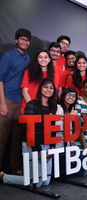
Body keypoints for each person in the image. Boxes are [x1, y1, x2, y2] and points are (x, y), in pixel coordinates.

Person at [0, 78, 57, 187]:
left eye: (51, 88)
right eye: (46, 87)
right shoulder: (32, 104)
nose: (48, 90)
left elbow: (52, 128)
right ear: (40, 89)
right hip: (31, 144)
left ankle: (25, 175)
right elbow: (29, 129)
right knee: (34, 183)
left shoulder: (52, 107)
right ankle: (4, 177)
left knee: (45, 182)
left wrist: (52, 148)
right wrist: (38, 150)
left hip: (46, 144)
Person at [0, 28, 31, 174]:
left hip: (21, 103)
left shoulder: (28, 58)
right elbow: (0, 80)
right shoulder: (8, 56)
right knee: (2, 138)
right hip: (7, 99)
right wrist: (2, 103)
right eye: (22, 39)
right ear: (16, 40)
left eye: (27, 40)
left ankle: (15, 168)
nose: (25, 42)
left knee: (17, 139)